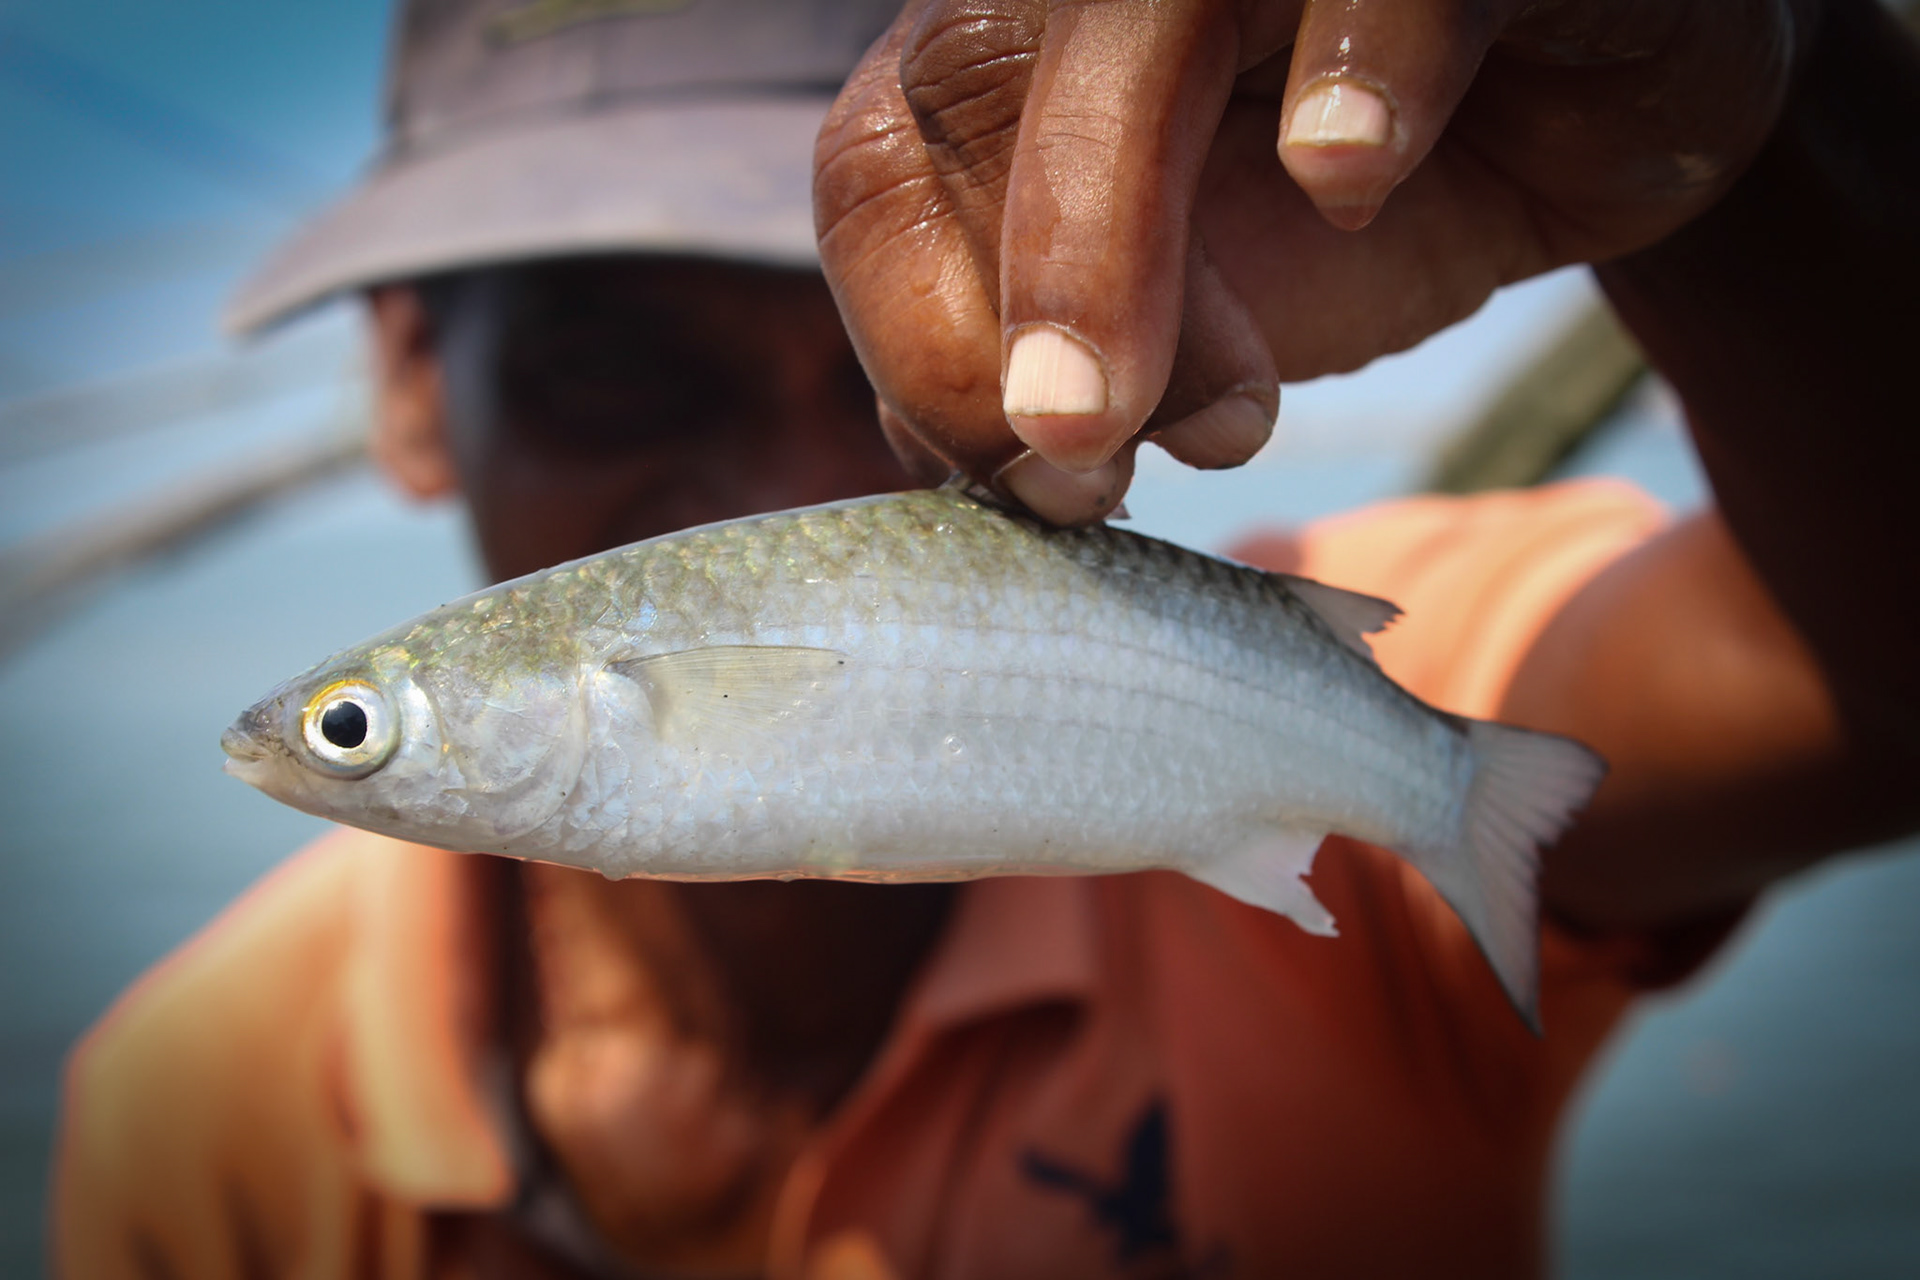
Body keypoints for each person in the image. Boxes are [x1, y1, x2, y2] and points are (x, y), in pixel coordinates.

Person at [51, 3, 1918, 1280]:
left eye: (873, 339)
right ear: (404, 382)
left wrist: (1770, 130)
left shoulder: (1390, 662)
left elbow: (1879, 697)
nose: (807, 482)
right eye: (610, 364)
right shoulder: (197, 1110)